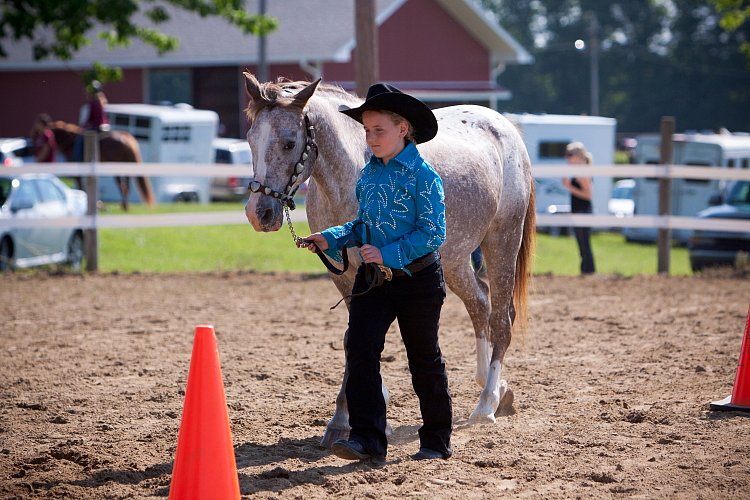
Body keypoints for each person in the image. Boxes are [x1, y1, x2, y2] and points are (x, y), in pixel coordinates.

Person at [299, 83, 453, 462]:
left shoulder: (424, 177)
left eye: (378, 130)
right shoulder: (369, 175)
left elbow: (433, 233)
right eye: (367, 130)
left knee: (424, 359)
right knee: (360, 349)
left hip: (418, 282)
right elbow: (361, 225)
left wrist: (387, 253)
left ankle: (435, 440)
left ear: (403, 129)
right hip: (373, 281)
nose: (370, 138)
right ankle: (368, 439)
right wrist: (330, 237)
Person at [562, 141, 596, 274]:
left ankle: (588, 270)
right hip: (579, 209)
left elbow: (588, 195)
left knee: (584, 243)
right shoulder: (579, 171)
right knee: (582, 243)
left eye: (570, 154)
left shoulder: (582, 172)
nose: (567, 158)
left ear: (578, 156)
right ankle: (587, 270)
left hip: (583, 210)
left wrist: (569, 186)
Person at [74, 80, 109, 161]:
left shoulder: (94, 102)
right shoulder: (102, 100)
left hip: (97, 127)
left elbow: (90, 119)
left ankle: (78, 159)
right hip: (105, 126)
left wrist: (81, 128)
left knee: (79, 139)